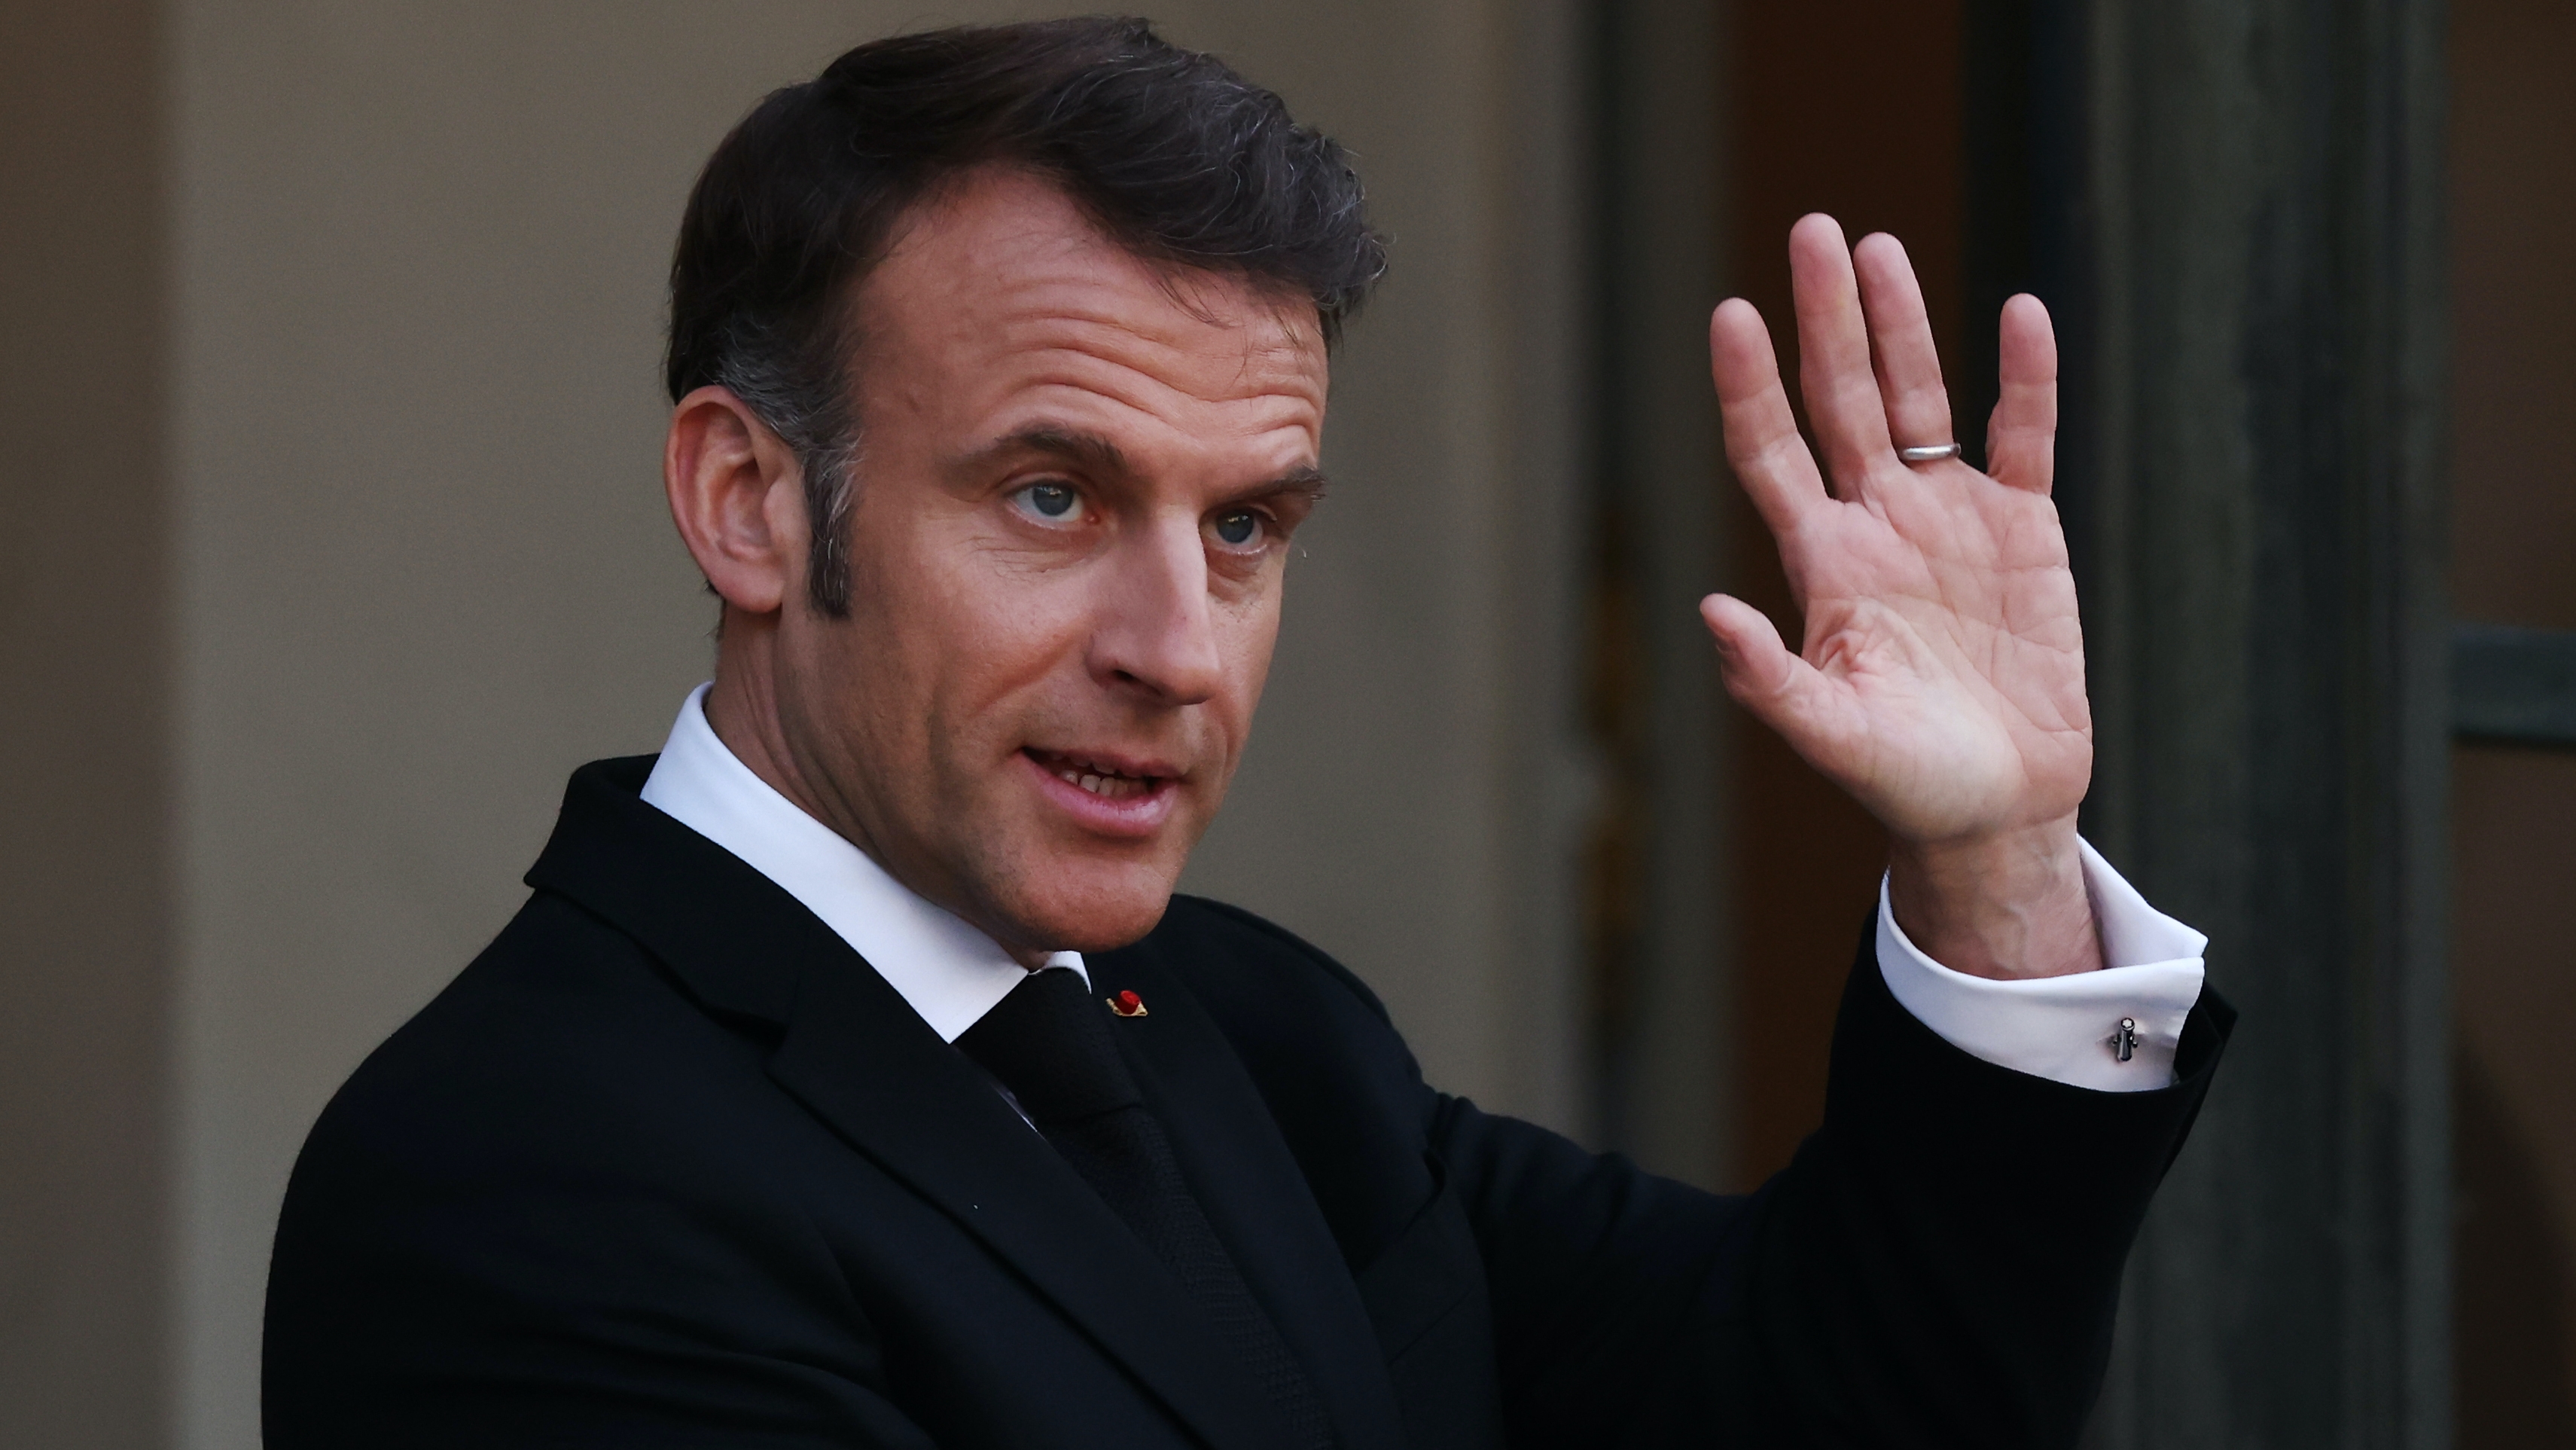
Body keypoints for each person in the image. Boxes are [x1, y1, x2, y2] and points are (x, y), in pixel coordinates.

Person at [262, 17, 2228, 1449]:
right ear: (749, 502)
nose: (1178, 650)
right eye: (1053, 497)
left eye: (1246, 527)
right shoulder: (513, 1177)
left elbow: (1838, 1405)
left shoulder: (1266, 1040)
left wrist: (1992, 861)